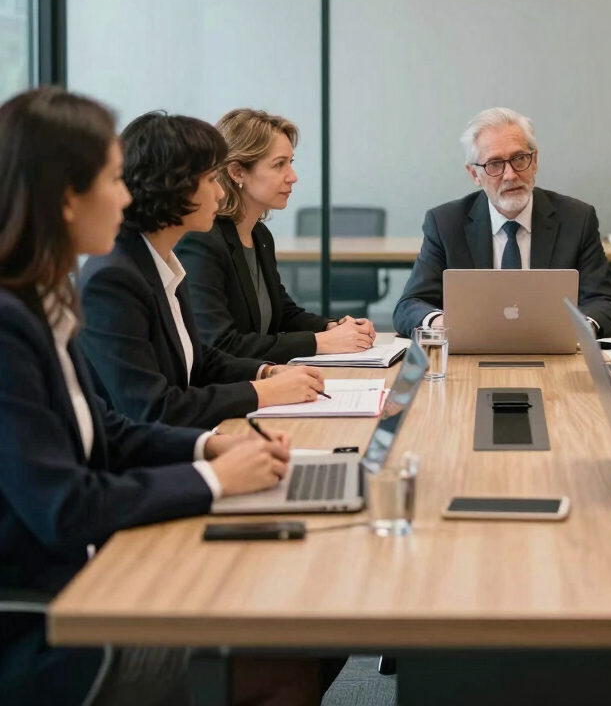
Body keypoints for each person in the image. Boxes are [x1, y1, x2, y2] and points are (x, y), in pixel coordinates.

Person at [0, 87, 297, 706]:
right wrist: (215, 479)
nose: (128, 195)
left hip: (95, 575)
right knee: (282, 654)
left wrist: (212, 448)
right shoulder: (15, 324)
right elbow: (64, 506)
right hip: (50, 624)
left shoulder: (44, 302)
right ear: (64, 197)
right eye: (112, 179)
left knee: (284, 622)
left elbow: (107, 430)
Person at [79, 111, 328, 429]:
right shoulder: (113, 280)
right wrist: (261, 391)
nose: (221, 192)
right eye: (211, 179)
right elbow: (153, 410)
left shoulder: (159, 260)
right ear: (173, 186)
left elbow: (198, 358)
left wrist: (265, 372)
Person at [393, 106, 611, 338]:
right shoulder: (445, 224)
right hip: (471, 355)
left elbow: (607, 304)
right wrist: (446, 323)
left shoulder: (577, 219)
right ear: (475, 175)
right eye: (494, 164)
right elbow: (410, 306)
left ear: (534, 162)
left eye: (519, 159)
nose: (511, 175)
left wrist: (575, 330)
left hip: (553, 354)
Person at [177, 108, 375, 363]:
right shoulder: (202, 241)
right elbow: (218, 343)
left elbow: (283, 313)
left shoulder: (259, 234)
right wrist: (319, 342)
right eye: (279, 164)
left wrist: (331, 327)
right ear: (237, 172)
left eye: (290, 163)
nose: (292, 177)